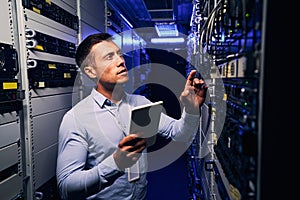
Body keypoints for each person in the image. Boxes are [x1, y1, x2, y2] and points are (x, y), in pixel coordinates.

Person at [56, 32, 208, 200]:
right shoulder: (76, 119)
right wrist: (115, 163)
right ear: (91, 72)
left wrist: (191, 109)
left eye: (119, 55)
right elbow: (66, 188)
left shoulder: (140, 103)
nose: (121, 61)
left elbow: (181, 133)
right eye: (109, 57)